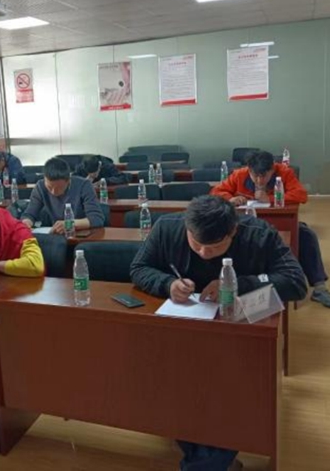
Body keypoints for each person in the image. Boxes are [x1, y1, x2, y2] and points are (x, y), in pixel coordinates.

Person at [130, 196, 307, 471]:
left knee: (226, 392)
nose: (203, 253)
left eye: (213, 247)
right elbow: (139, 268)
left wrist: (239, 285)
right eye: (196, 243)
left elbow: (296, 283)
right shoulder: (167, 227)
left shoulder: (259, 235)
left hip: (237, 335)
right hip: (183, 331)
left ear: (232, 231)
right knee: (177, 386)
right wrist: (167, 284)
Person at [211, 150, 330, 308]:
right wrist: (230, 199)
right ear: (249, 170)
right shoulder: (239, 174)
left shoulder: (284, 172)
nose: (259, 180)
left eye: (264, 176)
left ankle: (319, 287)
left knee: (306, 234)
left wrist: (270, 199)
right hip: (247, 224)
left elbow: (301, 195)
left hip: (278, 221)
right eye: (255, 175)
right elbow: (216, 192)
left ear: (272, 170)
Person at [20, 157, 105, 234]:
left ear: (68, 181)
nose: (53, 192)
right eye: (49, 187)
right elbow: (29, 214)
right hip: (56, 236)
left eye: (59, 188)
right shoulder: (40, 187)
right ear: (45, 178)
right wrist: (26, 222)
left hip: (80, 235)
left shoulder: (84, 185)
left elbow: (96, 218)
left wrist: (70, 224)